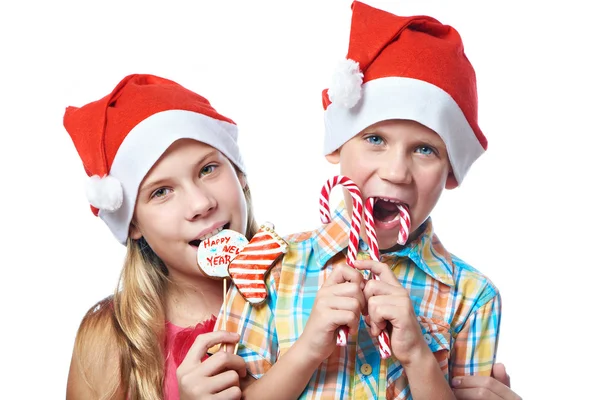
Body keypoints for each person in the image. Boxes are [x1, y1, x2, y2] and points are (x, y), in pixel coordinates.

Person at [220, 2, 502, 399]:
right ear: (337, 145)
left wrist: (419, 357)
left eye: (425, 150)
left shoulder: (471, 297)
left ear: (451, 172)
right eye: (375, 140)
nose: (396, 172)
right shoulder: (267, 270)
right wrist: (307, 349)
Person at [64, 73, 258, 400]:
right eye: (162, 192)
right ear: (133, 223)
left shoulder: (312, 289)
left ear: (239, 174)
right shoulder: (110, 340)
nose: (201, 204)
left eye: (208, 169)